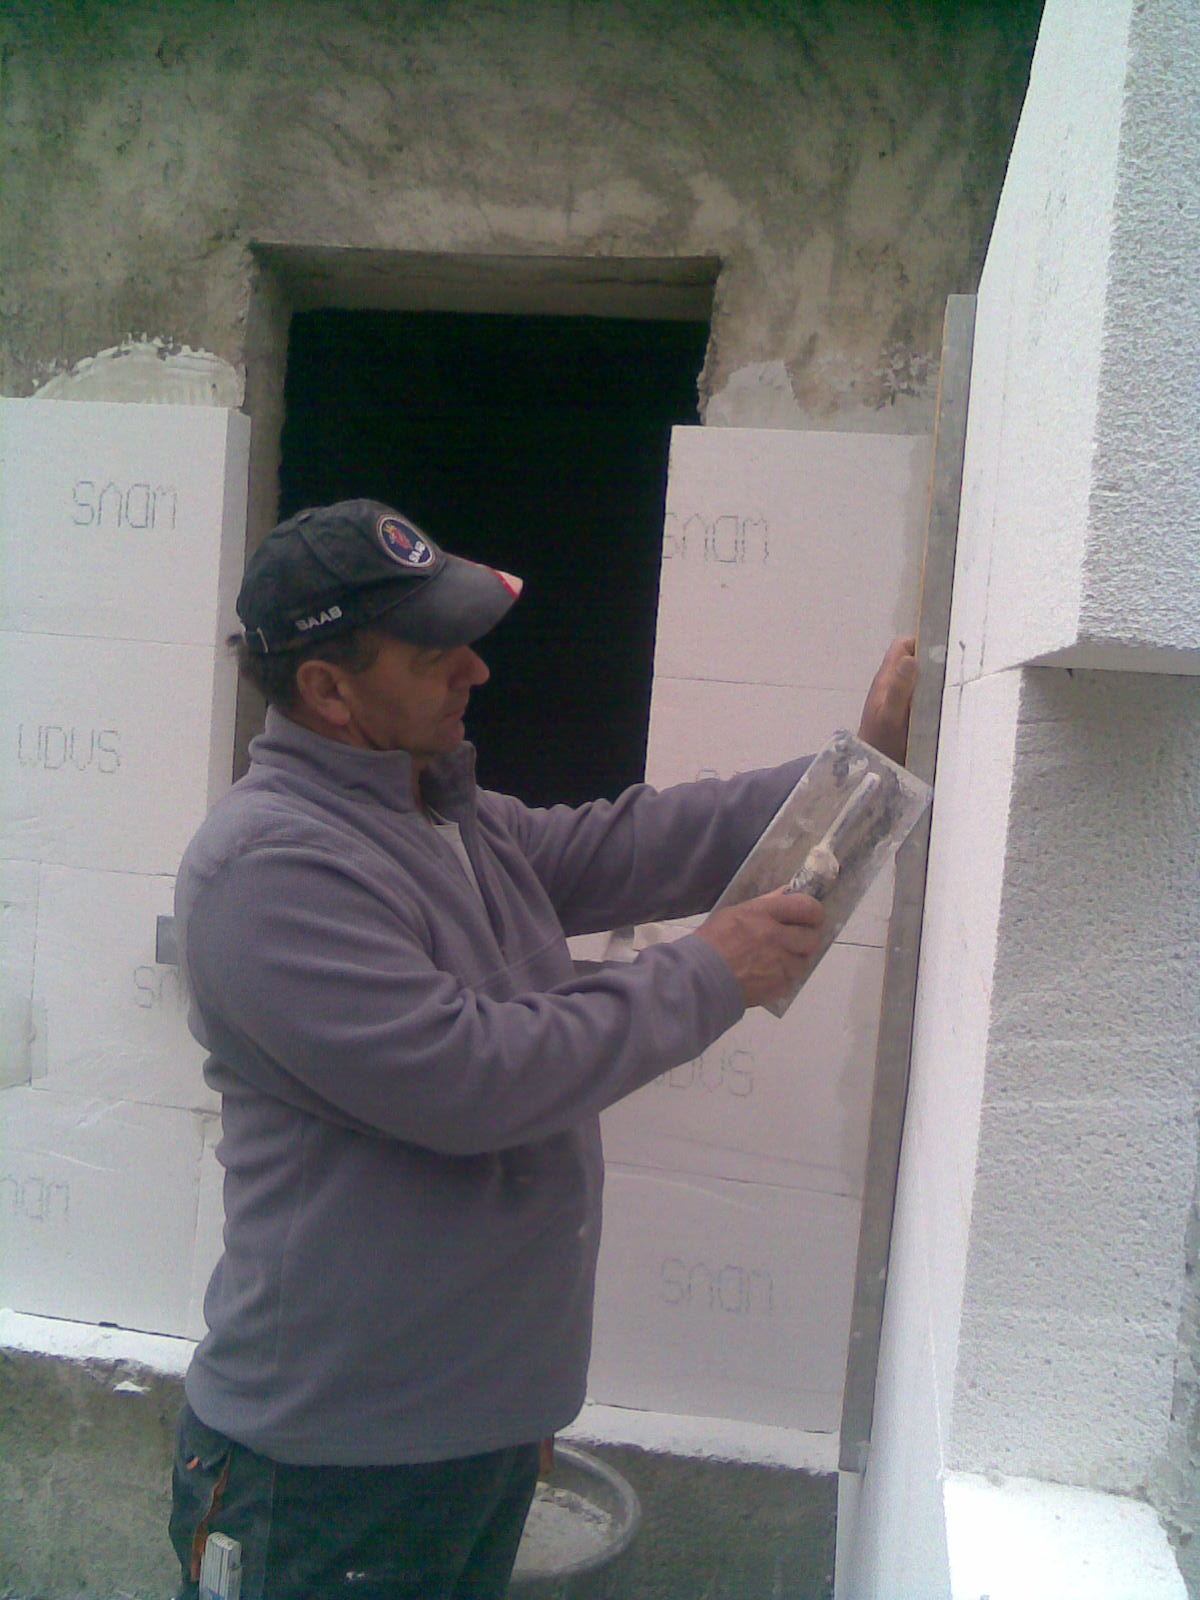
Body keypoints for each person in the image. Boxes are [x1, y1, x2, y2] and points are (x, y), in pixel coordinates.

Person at [168, 498, 916, 1600]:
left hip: (476, 1433)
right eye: (434, 650)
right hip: (331, 1470)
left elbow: (640, 840)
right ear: (328, 690)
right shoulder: (270, 869)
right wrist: (712, 971)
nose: (475, 668)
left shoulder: (446, 818)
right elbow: (472, 1078)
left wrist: (861, 775)